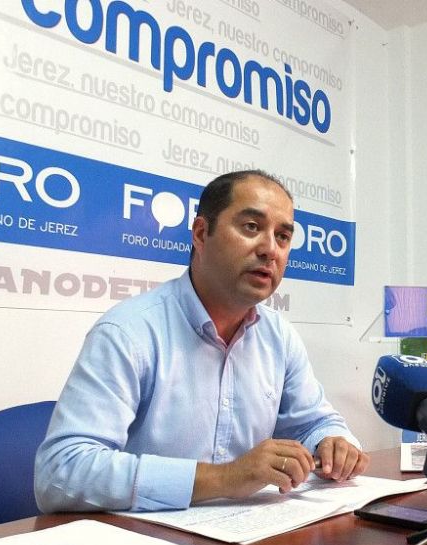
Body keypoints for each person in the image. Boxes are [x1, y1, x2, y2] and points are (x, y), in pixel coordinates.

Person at [34, 170, 369, 512]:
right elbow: (61, 471)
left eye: (282, 236)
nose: (270, 249)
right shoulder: (128, 332)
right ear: (200, 233)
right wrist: (225, 478)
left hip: (251, 533)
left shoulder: (278, 336)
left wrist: (332, 443)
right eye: (251, 227)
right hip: (145, 537)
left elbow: (315, 423)